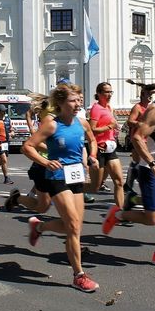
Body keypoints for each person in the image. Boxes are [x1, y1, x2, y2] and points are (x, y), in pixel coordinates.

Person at [21, 83, 100, 292]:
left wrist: (91, 157)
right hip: (57, 176)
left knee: (73, 227)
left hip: (76, 176)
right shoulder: (51, 124)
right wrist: (46, 162)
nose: (78, 104)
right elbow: (27, 146)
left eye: (79, 100)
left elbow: (92, 141)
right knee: (73, 226)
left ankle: (39, 227)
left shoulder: (82, 123)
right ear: (61, 103)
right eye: (73, 101)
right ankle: (79, 275)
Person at [102, 79, 155, 269]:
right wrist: (151, 162)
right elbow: (137, 137)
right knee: (152, 218)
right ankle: (118, 214)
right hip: (150, 172)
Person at [89, 82, 124, 208]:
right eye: (106, 92)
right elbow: (92, 129)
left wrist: (114, 129)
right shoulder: (96, 108)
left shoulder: (109, 108)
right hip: (98, 148)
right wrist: (110, 126)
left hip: (110, 148)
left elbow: (111, 124)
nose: (109, 95)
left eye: (111, 92)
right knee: (95, 187)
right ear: (99, 94)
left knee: (119, 182)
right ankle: (70, 189)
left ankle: (120, 213)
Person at [123, 83, 155, 195]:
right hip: (137, 138)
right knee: (137, 162)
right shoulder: (137, 107)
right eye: (148, 94)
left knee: (145, 162)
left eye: (151, 94)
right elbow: (130, 121)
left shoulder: (151, 107)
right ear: (142, 95)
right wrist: (140, 124)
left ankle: (139, 184)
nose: (150, 96)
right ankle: (129, 185)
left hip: (148, 139)